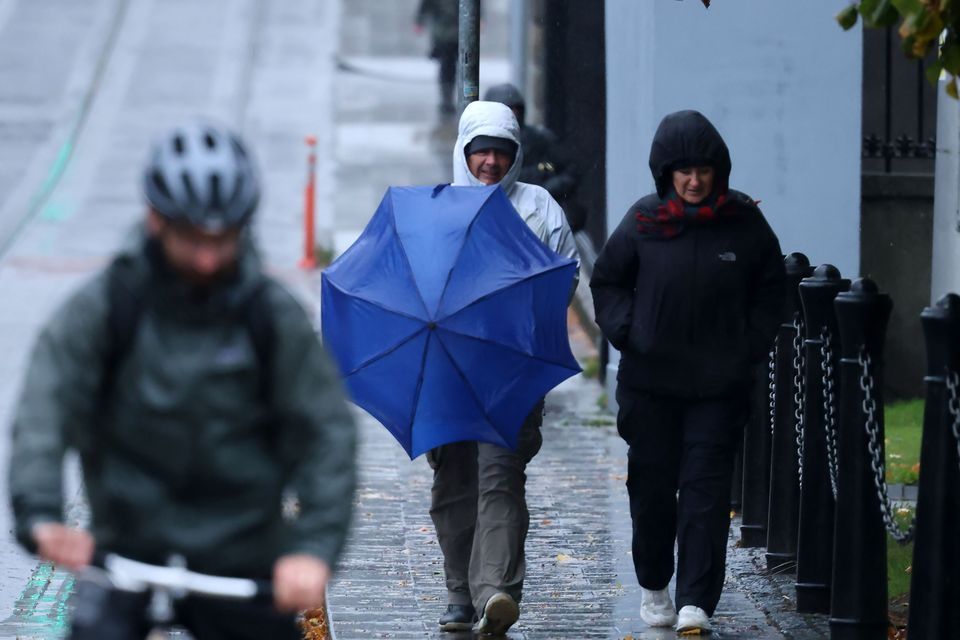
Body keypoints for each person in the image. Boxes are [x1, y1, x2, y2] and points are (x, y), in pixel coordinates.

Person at [7, 121, 358, 639]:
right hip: (126, 551)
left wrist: (311, 550)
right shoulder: (108, 307)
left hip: (241, 556)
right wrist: (41, 514)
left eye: (224, 240)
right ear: (156, 221)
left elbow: (327, 432)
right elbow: (46, 405)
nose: (209, 258)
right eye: (192, 239)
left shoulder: (271, 317)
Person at [590, 110, 785, 634]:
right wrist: (631, 331)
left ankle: (697, 599)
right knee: (652, 489)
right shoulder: (642, 222)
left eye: (703, 170)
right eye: (684, 172)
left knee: (705, 489)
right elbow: (606, 282)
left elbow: (771, 289)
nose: (694, 181)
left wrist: (748, 346)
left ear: (718, 171)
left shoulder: (743, 223)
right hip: (650, 385)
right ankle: (655, 584)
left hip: (717, 388)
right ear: (666, 174)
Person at [427, 100, 580, 635]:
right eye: (480, 151)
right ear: (463, 153)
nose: (490, 161)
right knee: (453, 481)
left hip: (513, 370)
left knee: (500, 476)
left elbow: (565, 276)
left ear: (516, 155)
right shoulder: (440, 209)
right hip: (448, 371)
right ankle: (458, 594)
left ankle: (494, 591)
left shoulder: (539, 208)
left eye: (501, 151)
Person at [483, 83, 585, 231]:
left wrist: (546, 188)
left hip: (540, 213)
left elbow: (567, 170)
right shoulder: (484, 144)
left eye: (516, 110)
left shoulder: (540, 139)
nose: (513, 115)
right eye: (507, 110)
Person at [415, 0, 459, 115]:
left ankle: (448, 100)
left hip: (454, 34)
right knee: (447, 67)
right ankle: (447, 100)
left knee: (450, 68)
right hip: (443, 35)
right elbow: (425, 6)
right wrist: (419, 21)